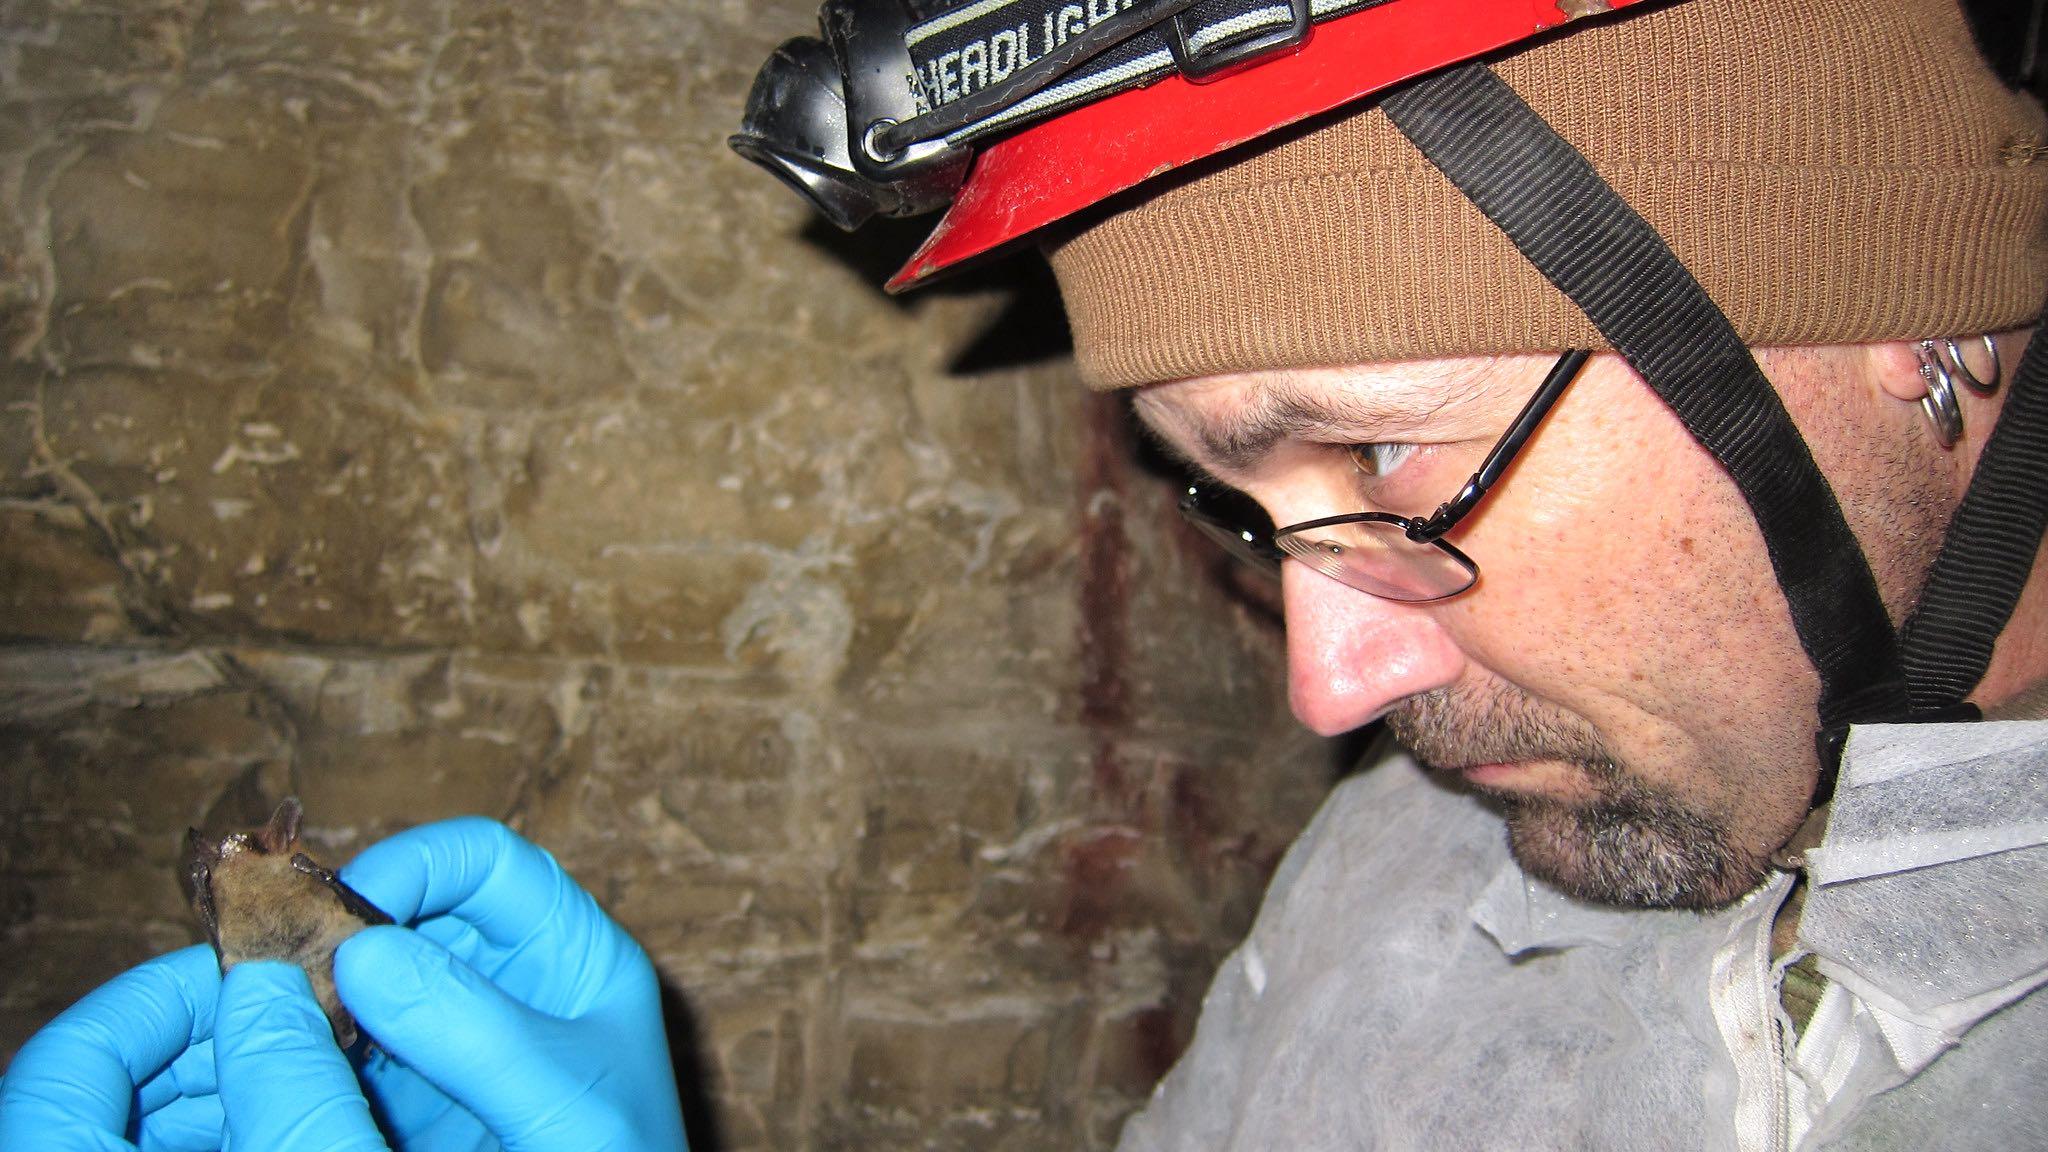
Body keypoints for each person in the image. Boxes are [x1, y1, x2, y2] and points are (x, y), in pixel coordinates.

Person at [5, 0, 2044, 1148]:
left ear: (1914, 319)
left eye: (1388, 454)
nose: (1329, 691)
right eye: (1240, 508)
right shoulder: (1396, 887)